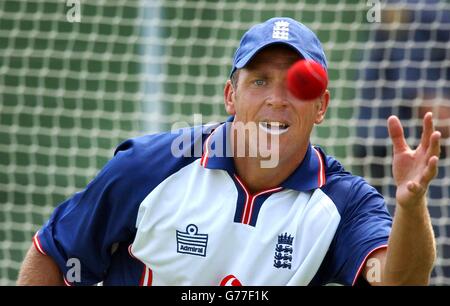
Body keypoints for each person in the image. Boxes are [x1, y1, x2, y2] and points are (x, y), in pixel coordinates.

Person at [17, 17, 440, 286]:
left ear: (322, 106)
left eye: (298, 85)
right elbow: (53, 254)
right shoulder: (147, 168)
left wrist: (412, 205)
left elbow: (399, 280)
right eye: (259, 81)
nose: (277, 99)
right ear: (230, 96)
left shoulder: (343, 204)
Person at [354, 0, 450, 281]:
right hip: (400, 150)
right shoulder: (421, 7)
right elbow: (433, 109)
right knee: (402, 253)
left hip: (401, 146)